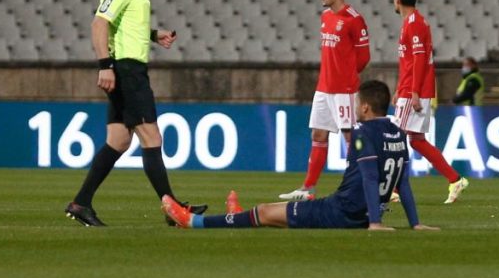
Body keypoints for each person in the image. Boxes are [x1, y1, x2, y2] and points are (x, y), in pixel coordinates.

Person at [163, 80, 439, 231]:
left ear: (365, 108)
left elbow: (368, 178)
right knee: (273, 217)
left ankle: (193, 222)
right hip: (361, 214)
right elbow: (402, 183)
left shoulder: (362, 133)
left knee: (264, 212)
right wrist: (415, 224)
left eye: (356, 104)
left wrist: (375, 225)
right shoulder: (398, 132)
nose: (354, 108)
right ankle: (237, 218)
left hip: (341, 212)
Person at [65, 0, 206, 227]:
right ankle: (173, 209)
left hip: (127, 67)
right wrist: (105, 65)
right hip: (127, 70)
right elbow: (99, 23)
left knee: (118, 141)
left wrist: (154, 35)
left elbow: (122, 24)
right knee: (152, 137)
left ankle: (81, 203)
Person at [279, 0, 370, 201]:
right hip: (324, 88)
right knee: (318, 134)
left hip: (344, 90)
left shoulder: (353, 19)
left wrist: (346, 76)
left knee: (350, 137)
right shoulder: (326, 16)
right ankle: (308, 188)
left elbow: (364, 57)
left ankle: (356, 186)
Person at [392, 0, 469, 204]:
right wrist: (400, 88)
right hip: (410, 89)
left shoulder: (414, 24)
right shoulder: (411, 22)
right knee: (416, 140)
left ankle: (394, 189)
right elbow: (407, 62)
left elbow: (418, 61)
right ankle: (455, 179)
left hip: (414, 91)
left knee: (396, 138)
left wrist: (413, 92)